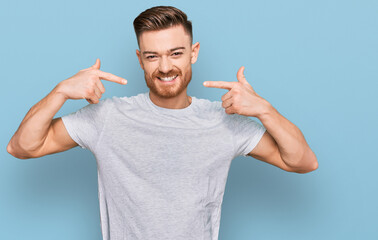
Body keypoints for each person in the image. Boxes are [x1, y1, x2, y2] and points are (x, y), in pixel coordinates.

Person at [7, 5, 318, 240]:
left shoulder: (224, 121)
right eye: (153, 56)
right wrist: (60, 91)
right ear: (141, 58)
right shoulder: (107, 118)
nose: (166, 67)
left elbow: (303, 161)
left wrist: (264, 109)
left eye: (176, 53)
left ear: (193, 53)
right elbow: (21, 147)